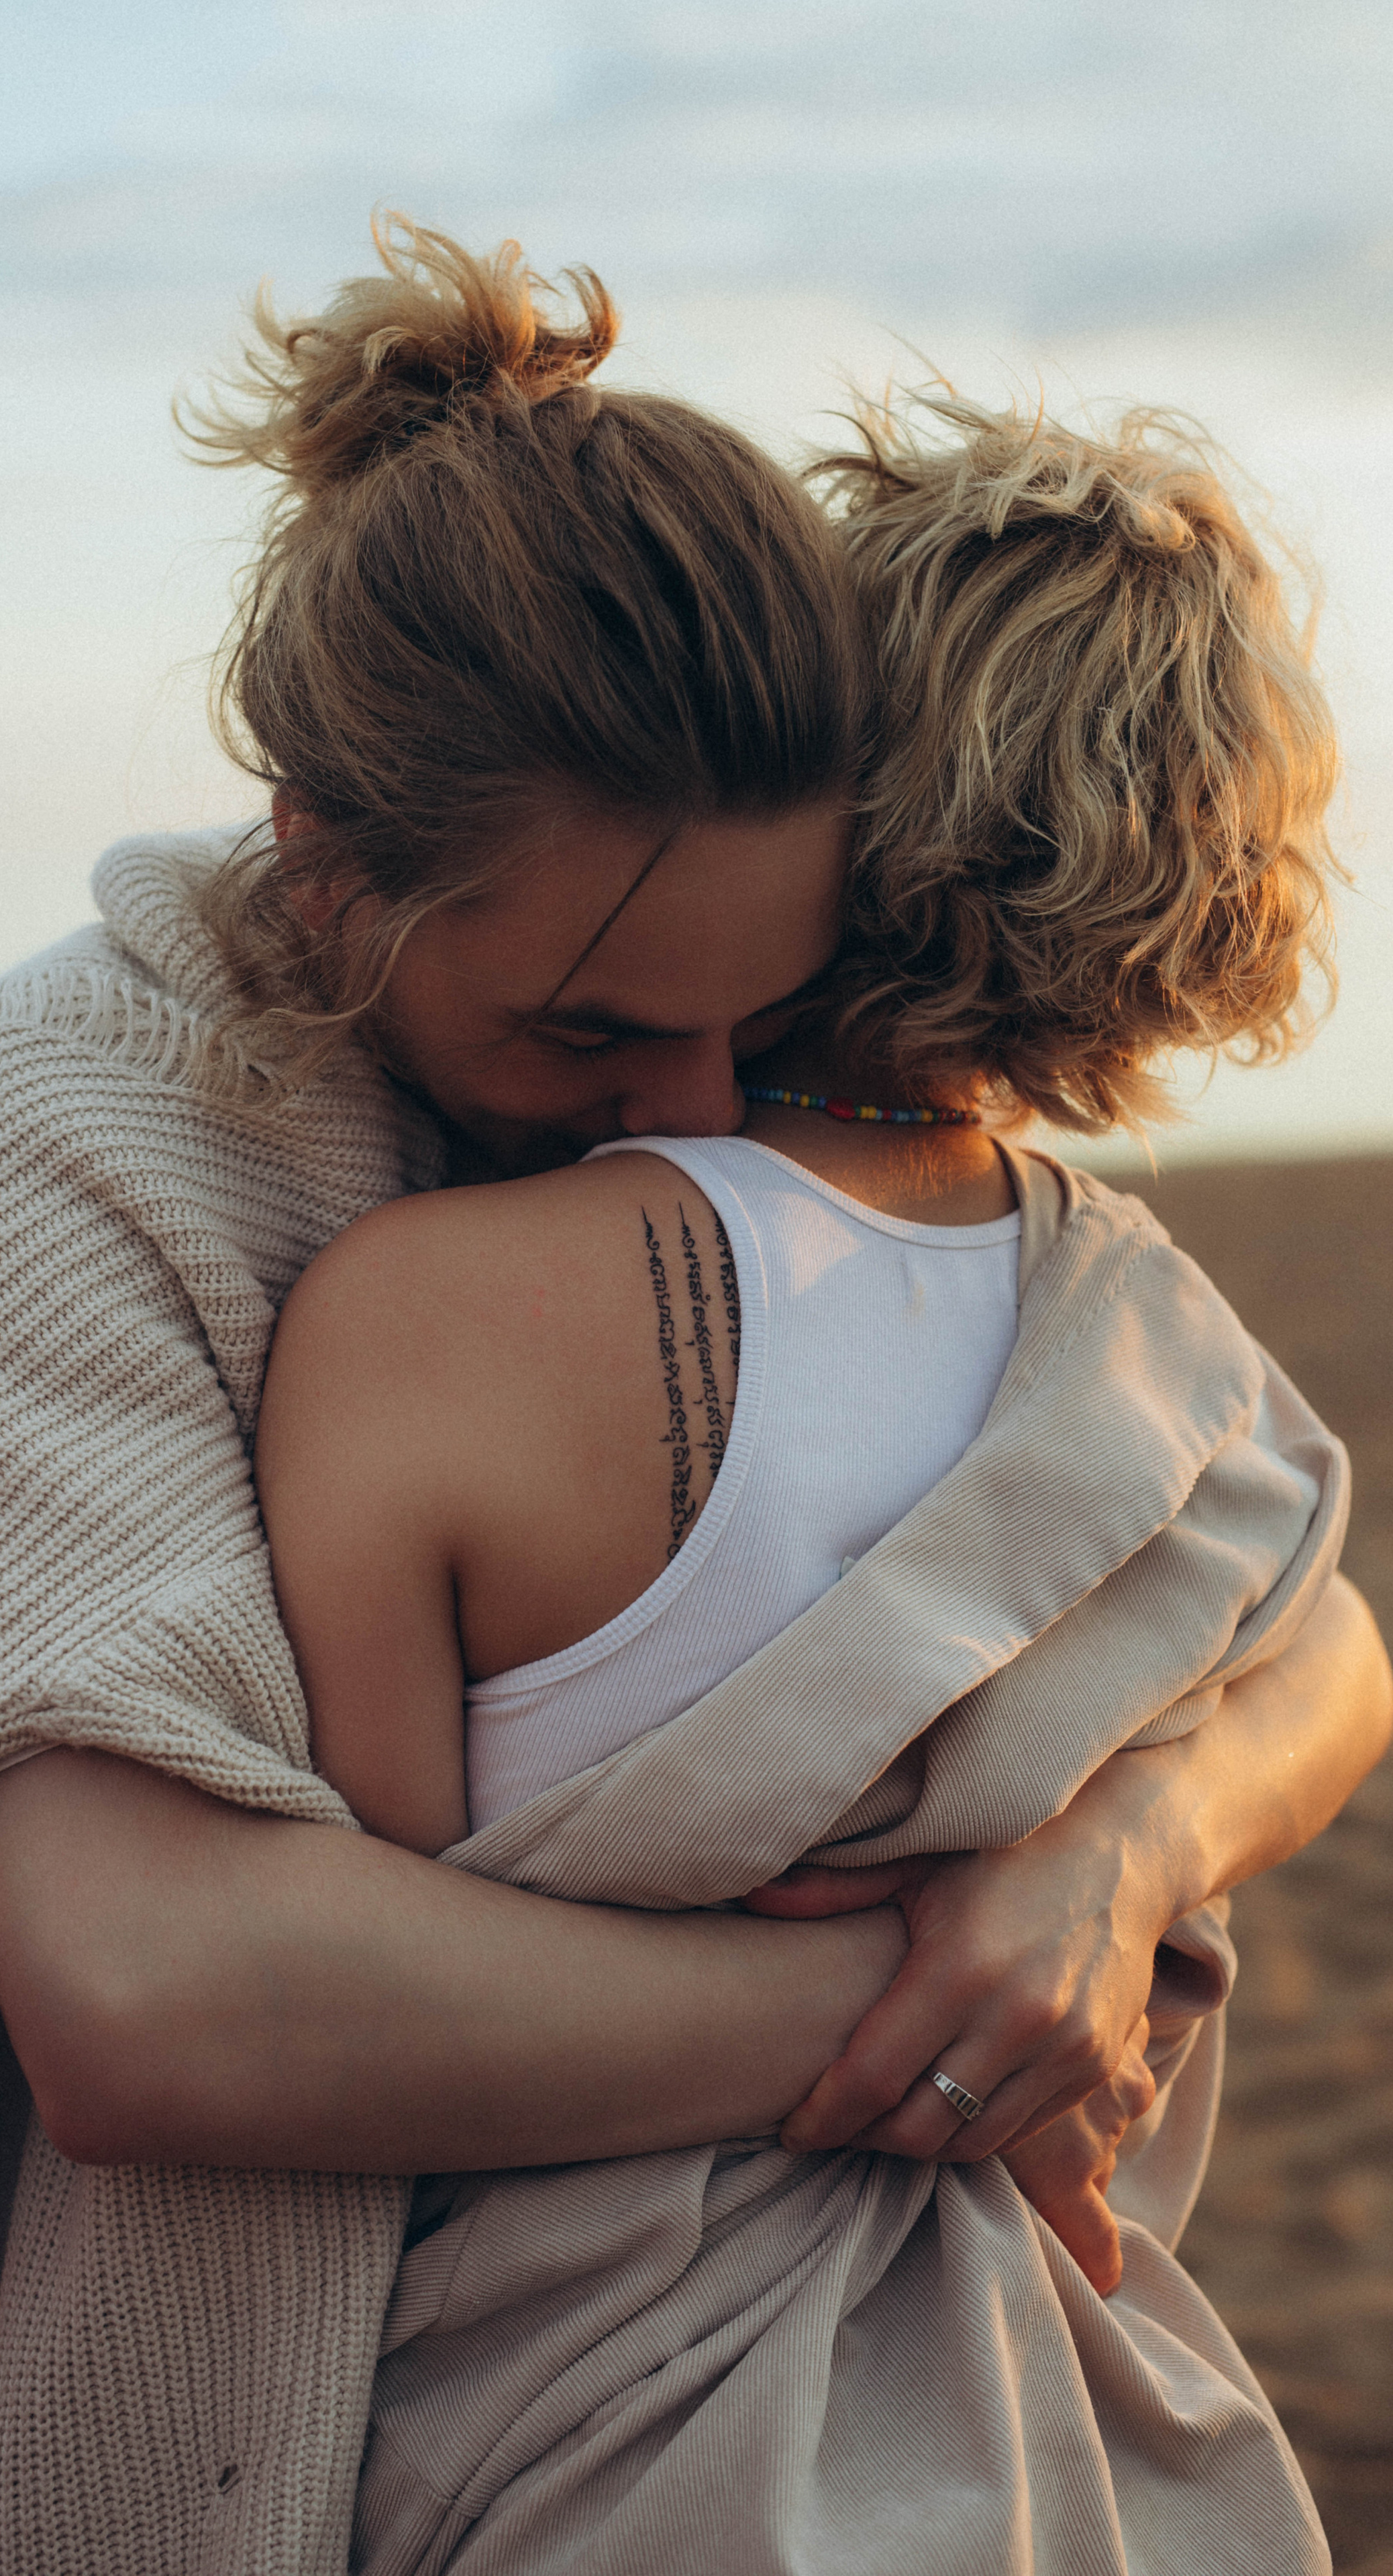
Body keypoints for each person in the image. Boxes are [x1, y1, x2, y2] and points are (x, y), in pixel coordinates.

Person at [0, 223, 1391, 2576]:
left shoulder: (677, 1061)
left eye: (751, 1023)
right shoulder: (41, 1135)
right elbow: (154, 1996)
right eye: (591, 1033)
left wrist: (1119, 1859)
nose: (690, 1104)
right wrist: (927, 1998)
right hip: (276, 2439)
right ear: (325, 873)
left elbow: (1312, 1618)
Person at [252, 390, 1357, 2572]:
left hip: (574, 2451)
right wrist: (1129, 1846)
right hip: (1087, 2439)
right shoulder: (1170, 1351)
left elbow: (359, 2009)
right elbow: (1338, 1648)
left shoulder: (419, 1315)